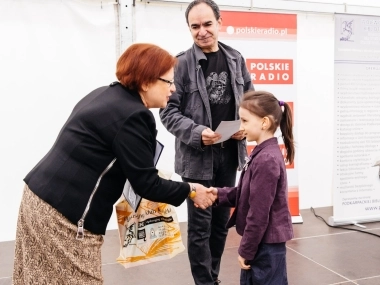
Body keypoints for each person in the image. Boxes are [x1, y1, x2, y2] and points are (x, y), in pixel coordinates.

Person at [12, 43, 216, 285]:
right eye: (169, 82)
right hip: (63, 217)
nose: (173, 89)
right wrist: (191, 190)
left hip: (37, 198)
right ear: (146, 81)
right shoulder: (135, 116)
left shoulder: (104, 93)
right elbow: (147, 184)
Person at [159, 1, 254, 284]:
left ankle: (212, 277)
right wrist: (198, 132)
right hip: (196, 158)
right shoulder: (180, 64)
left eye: (207, 24)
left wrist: (244, 127)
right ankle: (205, 282)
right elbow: (168, 111)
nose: (202, 32)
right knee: (200, 229)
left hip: (229, 156)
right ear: (189, 28)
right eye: (195, 26)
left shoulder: (236, 58)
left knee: (220, 225)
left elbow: (251, 103)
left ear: (219, 22)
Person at [213, 90, 295, 285]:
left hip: (265, 246)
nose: (240, 127)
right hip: (262, 244)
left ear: (264, 123)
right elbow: (247, 194)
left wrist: (246, 250)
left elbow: (258, 214)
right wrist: (217, 194)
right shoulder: (263, 154)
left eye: (245, 121)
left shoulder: (266, 160)